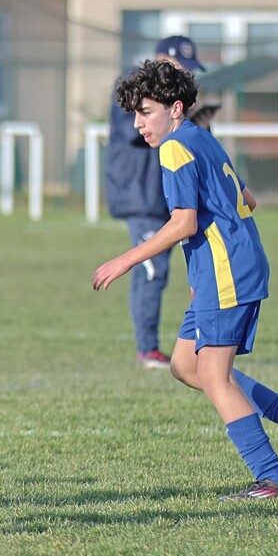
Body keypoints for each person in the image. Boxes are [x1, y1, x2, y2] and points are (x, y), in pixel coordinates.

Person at [93, 60, 278, 501]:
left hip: (226, 271)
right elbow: (247, 200)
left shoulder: (174, 148)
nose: (138, 124)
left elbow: (185, 222)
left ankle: (273, 480)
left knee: (215, 377)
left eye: (146, 112)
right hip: (230, 265)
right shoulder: (201, 137)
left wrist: (126, 260)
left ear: (175, 108)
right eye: (135, 114)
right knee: (184, 365)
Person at [105, 35, 205, 369]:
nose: (185, 73)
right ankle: (147, 349)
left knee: (166, 268)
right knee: (151, 269)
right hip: (141, 194)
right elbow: (133, 131)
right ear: (164, 59)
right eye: (181, 65)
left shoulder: (172, 98)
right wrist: (167, 115)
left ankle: (190, 344)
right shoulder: (134, 86)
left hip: (164, 195)